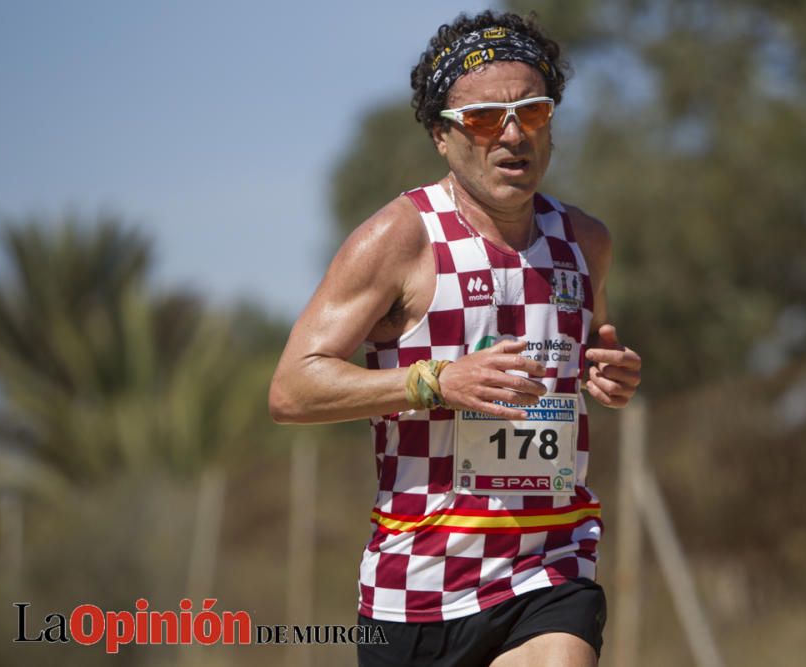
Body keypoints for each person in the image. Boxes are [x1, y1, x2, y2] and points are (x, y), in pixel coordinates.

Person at [269, 10, 641, 667]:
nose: (511, 135)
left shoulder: (586, 241)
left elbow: (590, 348)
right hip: (417, 589)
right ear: (443, 136)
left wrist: (605, 372)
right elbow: (293, 386)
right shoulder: (401, 238)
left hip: (548, 565)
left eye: (532, 112)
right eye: (482, 119)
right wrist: (436, 381)